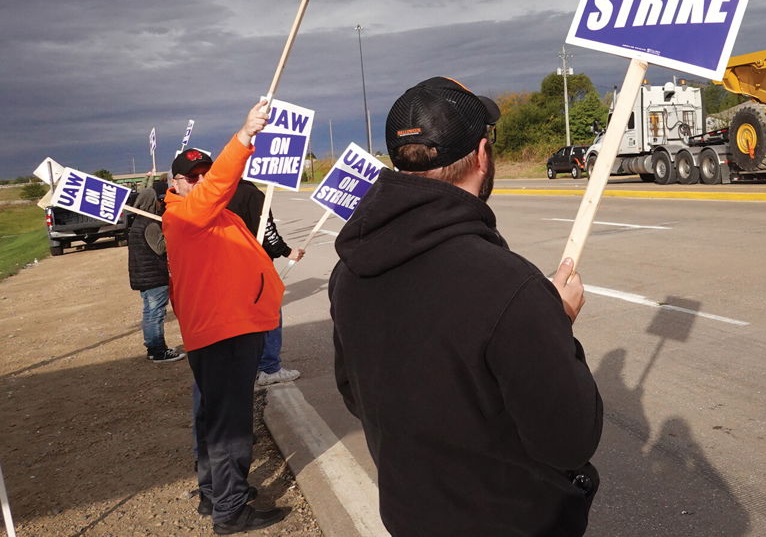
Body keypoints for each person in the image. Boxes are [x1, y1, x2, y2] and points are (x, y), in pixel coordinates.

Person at [329, 76, 604, 536]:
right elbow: (568, 440)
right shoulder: (509, 286)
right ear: (481, 154)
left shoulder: (349, 271)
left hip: (409, 515)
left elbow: (353, 393)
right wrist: (556, 323)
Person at [163, 102, 289, 534]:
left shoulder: (210, 214)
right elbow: (217, 186)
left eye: (204, 173)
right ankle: (230, 509)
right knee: (229, 423)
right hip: (224, 331)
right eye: (191, 176)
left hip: (227, 327)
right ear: (175, 182)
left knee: (215, 417)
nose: (200, 181)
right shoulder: (186, 212)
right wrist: (245, 136)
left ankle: (215, 493)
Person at [226, 179, 305, 387]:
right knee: (269, 314)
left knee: (243, 321)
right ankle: (269, 367)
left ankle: (246, 367)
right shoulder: (252, 194)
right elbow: (268, 232)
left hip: (227, 267)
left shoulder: (218, 193)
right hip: (254, 266)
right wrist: (288, 252)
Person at [126, 177, 185, 363]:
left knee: (150, 313)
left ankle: (152, 348)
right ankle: (159, 350)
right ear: (151, 202)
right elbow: (160, 247)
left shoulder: (137, 222)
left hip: (143, 275)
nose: (160, 204)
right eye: (157, 201)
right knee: (156, 314)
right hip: (153, 277)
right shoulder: (149, 223)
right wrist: (171, 234)